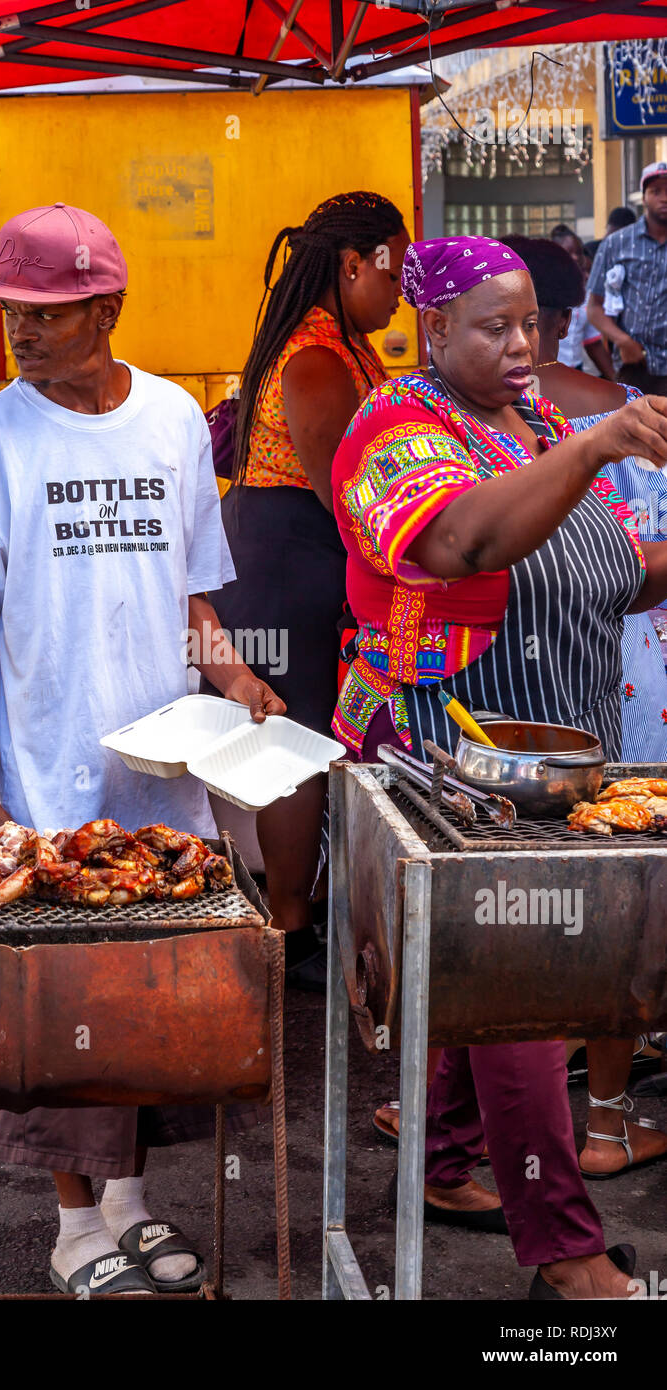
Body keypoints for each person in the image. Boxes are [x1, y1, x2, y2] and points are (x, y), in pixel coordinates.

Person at [0, 203, 285, 1298]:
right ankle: (72, 1224)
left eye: (45, 309)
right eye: (10, 310)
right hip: (42, 770)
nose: (21, 329)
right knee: (49, 1012)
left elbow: (189, 597)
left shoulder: (170, 419)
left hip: (159, 773)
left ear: (106, 307)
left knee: (138, 1001)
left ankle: (125, 1202)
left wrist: (232, 677)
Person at [332, 234, 667, 1298]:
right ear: (430, 329)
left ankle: (439, 1158)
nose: (522, 344)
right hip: (449, 749)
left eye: (530, 322)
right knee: (525, 991)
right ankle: (563, 1253)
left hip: (559, 749)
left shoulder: (536, 425)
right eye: (493, 326)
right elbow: (460, 547)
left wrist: (588, 460)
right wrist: (592, 447)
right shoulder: (390, 427)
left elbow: (612, 576)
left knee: (506, 980)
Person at [204, 191, 410, 991]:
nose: (400, 289)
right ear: (351, 264)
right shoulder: (318, 357)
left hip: (301, 549)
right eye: (390, 267)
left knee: (314, 737)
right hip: (288, 555)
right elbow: (348, 494)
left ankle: (304, 907)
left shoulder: (345, 343)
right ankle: (289, 926)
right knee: (292, 741)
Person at [505, 233, 667, 1177]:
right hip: (615, 675)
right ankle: (603, 1123)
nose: (520, 342)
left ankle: (462, 1120)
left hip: (536, 688)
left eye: (525, 323)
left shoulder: (470, 420)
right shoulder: (611, 419)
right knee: (619, 902)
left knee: (524, 911)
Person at [587, 161, 667, 395]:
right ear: (643, 198)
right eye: (656, 191)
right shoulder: (616, 244)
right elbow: (594, 307)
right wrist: (622, 341)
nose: (664, 198)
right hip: (634, 366)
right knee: (631, 431)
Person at [549, 225, 614, 378]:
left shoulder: (586, 294)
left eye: (578, 252)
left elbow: (592, 342)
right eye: (568, 252)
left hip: (575, 371)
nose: (576, 257)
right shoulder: (541, 292)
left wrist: (617, 381)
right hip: (546, 373)